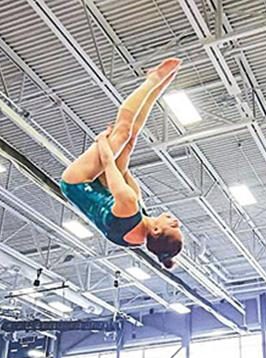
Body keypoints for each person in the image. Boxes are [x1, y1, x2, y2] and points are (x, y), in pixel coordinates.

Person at [60, 58, 184, 268]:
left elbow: (109, 163)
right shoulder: (138, 231)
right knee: (130, 139)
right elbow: (122, 170)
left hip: (77, 182)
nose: (176, 221)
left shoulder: (129, 204)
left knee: (122, 132)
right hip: (105, 192)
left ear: (155, 231)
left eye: (173, 226)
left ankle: (153, 80)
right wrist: (122, 148)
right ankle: (158, 86)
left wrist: (101, 140)